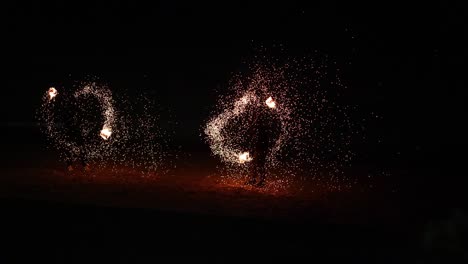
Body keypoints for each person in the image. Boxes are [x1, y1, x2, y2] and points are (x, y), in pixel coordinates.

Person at [246, 100, 281, 187]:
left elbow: (264, 138)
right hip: (255, 146)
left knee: (260, 164)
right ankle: (252, 179)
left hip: (261, 147)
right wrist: (251, 147)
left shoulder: (263, 127)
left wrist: (262, 147)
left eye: (257, 118)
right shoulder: (256, 127)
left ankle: (261, 181)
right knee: (253, 163)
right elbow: (252, 136)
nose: (255, 119)